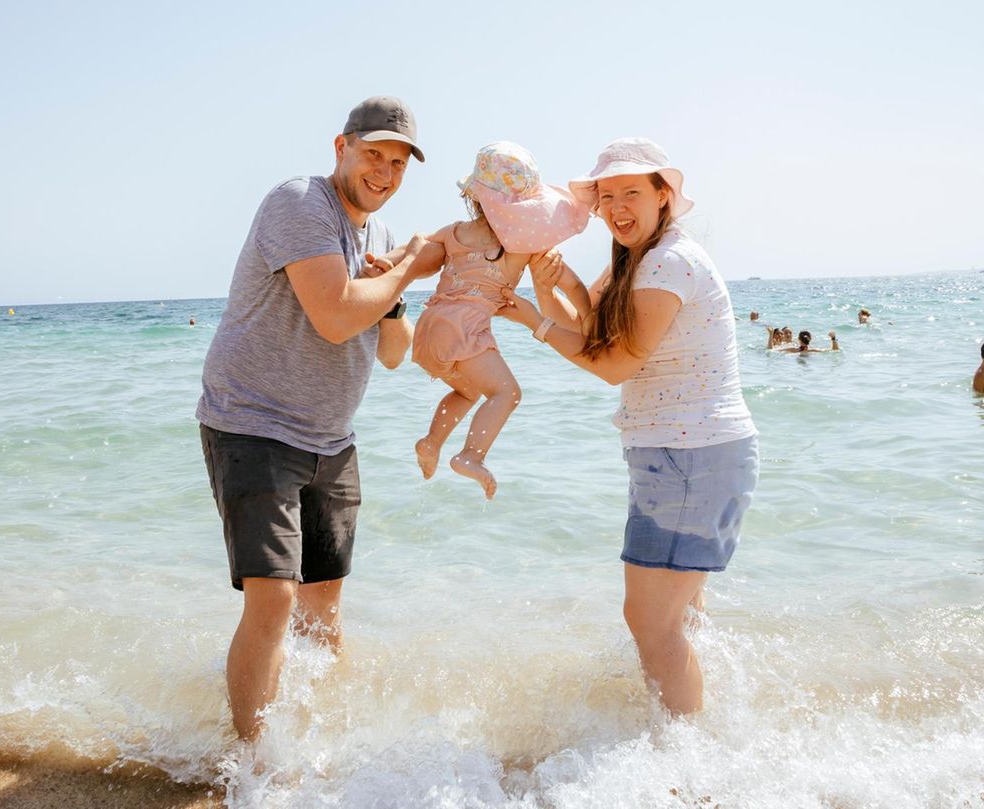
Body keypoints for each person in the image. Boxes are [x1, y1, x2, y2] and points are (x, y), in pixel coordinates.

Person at [194, 96, 442, 743]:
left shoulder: (382, 238)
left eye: (398, 162)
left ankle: (319, 737)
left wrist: (393, 287)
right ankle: (253, 765)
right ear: (341, 147)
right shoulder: (300, 202)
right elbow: (333, 314)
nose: (384, 173)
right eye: (373, 155)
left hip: (331, 439)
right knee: (273, 598)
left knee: (322, 605)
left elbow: (393, 352)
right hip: (253, 423)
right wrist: (410, 268)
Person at [499, 137, 758, 716]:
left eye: (632, 192)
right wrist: (553, 283)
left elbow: (615, 365)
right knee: (678, 617)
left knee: (650, 621)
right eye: (607, 194)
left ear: (664, 195)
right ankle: (698, 746)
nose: (617, 206)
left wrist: (533, 323)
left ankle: (680, 763)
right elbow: (593, 329)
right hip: (687, 454)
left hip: (690, 456)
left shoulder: (667, 263)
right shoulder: (635, 258)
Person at [400, 141, 590, 498]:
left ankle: (431, 442)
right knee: (507, 393)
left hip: (428, 328)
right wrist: (589, 314)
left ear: (475, 197)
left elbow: (415, 249)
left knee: (467, 391)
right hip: (464, 329)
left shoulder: (455, 230)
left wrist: (385, 265)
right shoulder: (526, 245)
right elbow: (571, 283)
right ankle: (471, 455)